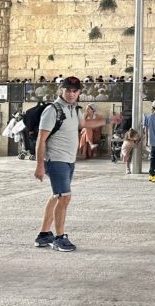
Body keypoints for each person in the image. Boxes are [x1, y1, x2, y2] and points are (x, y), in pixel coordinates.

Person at [33, 76, 110, 252]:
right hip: (56, 159)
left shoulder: (75, 110)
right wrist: (39, 165)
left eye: (74, 91)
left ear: (79, 92)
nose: (71, 93)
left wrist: (108, 120)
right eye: (68, 90)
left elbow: (85, 124)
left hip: (69, 160)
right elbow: (41, 139)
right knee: (64, 197)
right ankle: (59, 238)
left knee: (57, 195)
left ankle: (44, 234)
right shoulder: (52, 110)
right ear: (62, 90)